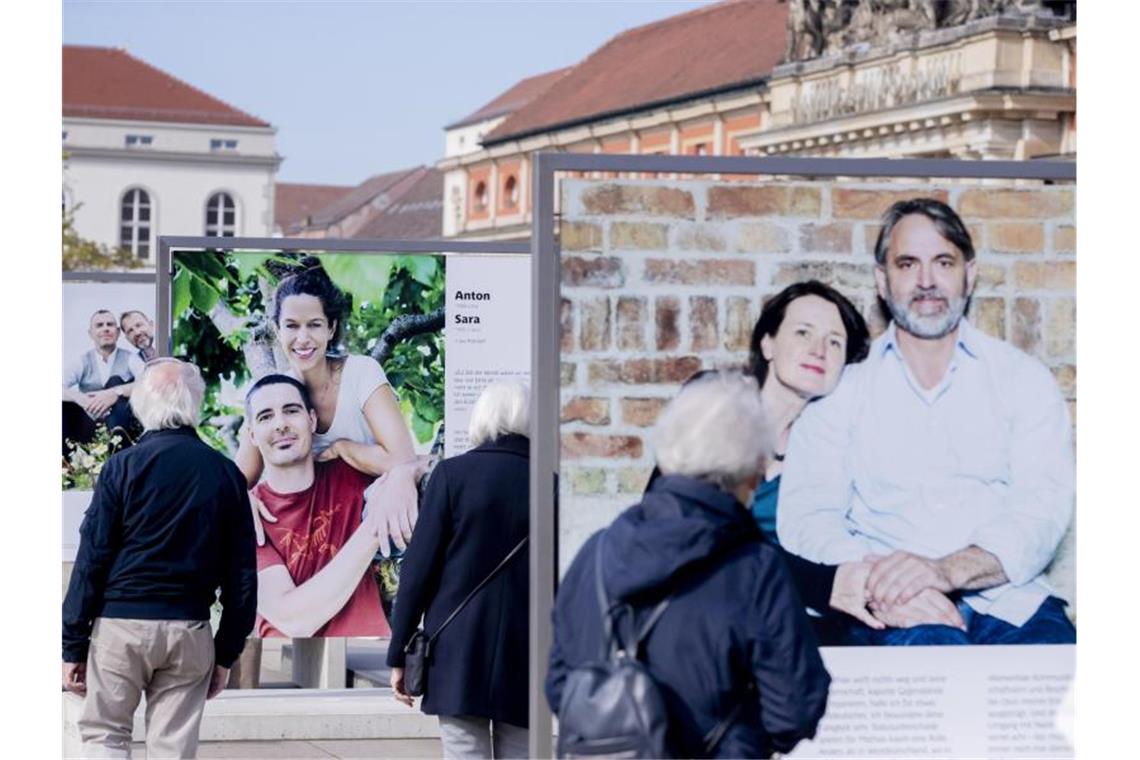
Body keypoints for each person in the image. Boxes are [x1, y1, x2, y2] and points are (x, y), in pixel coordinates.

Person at [778, 197, 1076, 645]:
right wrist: (881, 585)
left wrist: (943, 571)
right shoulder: (842, 393)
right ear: (883, 280)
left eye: (943, 262)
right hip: (892, 610)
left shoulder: (1022, 380)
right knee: (930, 687)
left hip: (1012, 601)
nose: (926, 282)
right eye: (907, 264)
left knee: (1061, 698)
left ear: (969, 274)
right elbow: (808, 519)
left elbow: (1042, 509)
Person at [548, 374, 830, 759]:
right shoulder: (754, 570)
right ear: (750, 469)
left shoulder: (594, 554)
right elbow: (797, 709)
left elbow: (560, 687)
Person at [62, 358, 257, 758]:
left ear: (142, 405)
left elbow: (92, 560)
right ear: (195, 403)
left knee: (105, 737)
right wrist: (225, 653)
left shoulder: (122, 467)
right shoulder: (225, 474)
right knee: (173, 747)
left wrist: (72, 645)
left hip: (121, 628)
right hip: (189, 629)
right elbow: (242, 577)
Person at [235, 260, 421, 557]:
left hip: (376, 512)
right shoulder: (279, 394)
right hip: (316, 528)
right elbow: (234, 481)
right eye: (291, 326)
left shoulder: (361, 372)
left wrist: (343, 448)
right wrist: (242, 498)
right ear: (276, 329)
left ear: (331, 328)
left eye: (314, 325)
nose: (303, 338)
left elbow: (402, 461)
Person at [387, 381, 531, 759]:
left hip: (456, 650)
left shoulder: (453, 475)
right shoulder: (551, 484)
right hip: (525, 650)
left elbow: (418, 572)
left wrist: (398, 652)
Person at [245, 374, 390, 637]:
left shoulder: (353, 475)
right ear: (252, 435)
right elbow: (294, 620)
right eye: (266, 416)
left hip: (370, 658)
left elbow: (432, 470)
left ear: (312, 420)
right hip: (286, 668)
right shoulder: (245, 514)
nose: (281, 425)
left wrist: (402, 475)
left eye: (291, 411)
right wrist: (374, 526)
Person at [62, 309, 144, 452]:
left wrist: (116, 392)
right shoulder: (82, 361)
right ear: (91, 333)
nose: (105, 329)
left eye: (110, 325)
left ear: (118, 332)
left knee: (115, 380)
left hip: (121, 423)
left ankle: (119, 452)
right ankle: (65, 462)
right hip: (88, 424)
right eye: (99, 325)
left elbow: (149, 383)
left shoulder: (131, 358)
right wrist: (79, 398)